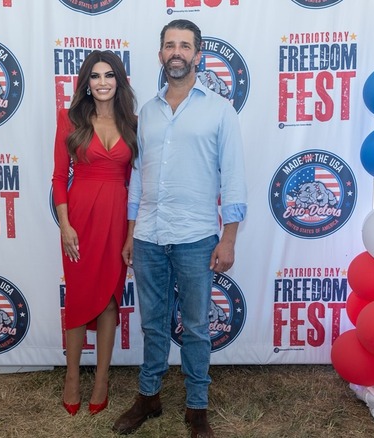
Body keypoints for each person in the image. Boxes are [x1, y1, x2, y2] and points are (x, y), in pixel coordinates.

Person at [112, 19, 247, 438]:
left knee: (195, 326)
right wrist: (132, 233)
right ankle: (148, 397)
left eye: (184, 46)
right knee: (152, 322)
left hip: (196, 237)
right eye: (170, 45)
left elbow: (235, 177)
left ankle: (197, 406)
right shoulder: (146, 113)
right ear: (160, 55)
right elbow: (136, 176)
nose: (177, 52)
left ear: (198, 54)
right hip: (149, 237)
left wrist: (229, 238)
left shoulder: (219, 110)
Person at [51, 50, 138, 416]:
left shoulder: (133, 122)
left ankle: (101, 378)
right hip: (80, 221)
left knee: (109, 299)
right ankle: (73, 377)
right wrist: (65, 224)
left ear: (119, 81)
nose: (102, 82)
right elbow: (58, 177)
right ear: (87, 82)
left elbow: (138, 184)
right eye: (95, 76)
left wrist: (131, 234)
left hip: (118, 220)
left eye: (109, 75)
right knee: (79, 296)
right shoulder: (69, 119)